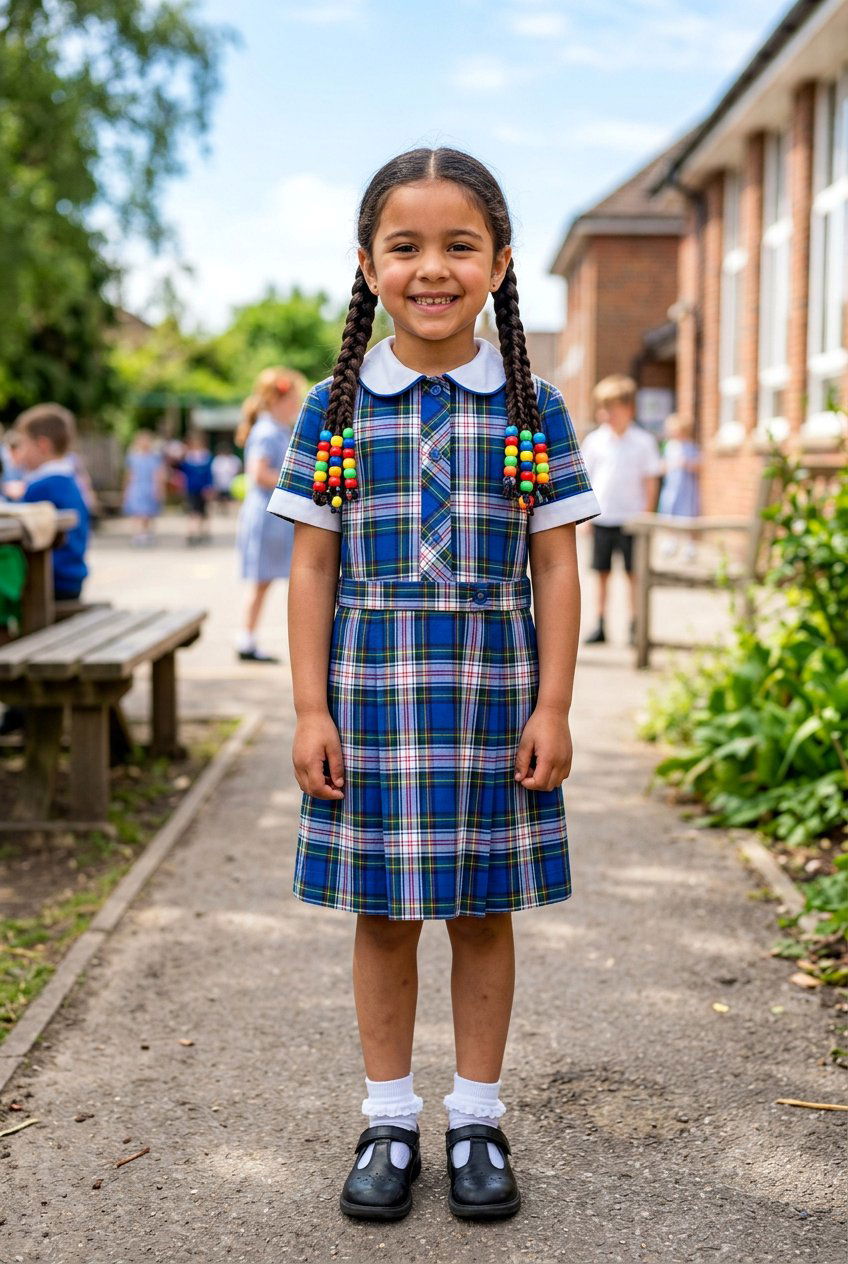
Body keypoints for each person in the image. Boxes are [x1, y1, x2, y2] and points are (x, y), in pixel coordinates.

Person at [268, 148, 600, 1223]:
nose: (432, 268)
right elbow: (310, 566)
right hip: (369, 692)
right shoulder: (331, 410)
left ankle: (475, 1120)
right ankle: (386, 1119)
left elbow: (557, 565)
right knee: (382, 914)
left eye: (459, 245)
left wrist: (554, 704)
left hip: (495, 692)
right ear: (368, 266)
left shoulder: (533, 407)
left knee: (483, 910)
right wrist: (308, 708)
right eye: (404, 246)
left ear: (498, 263)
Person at [580, 375, 662, 646]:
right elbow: (586, 480)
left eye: (612, 408)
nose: (607, 415)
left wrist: (647, 514)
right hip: (602, 518)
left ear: (629, 409)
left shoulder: (643, 442)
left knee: (633, 574)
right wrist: (586, 518)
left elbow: (651, 482)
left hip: (632, 520)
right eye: (603, 408)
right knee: (601, 573)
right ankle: (600, 623)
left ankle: (634, 624)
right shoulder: (595, 441)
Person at [235, 368, 304, 662]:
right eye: (294, 400)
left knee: (270, 580)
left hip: (274, 517)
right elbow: (259, 473)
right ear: (278, 400)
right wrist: (298, 480)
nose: (297, 405)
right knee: (262, 580)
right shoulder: (267, 431)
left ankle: (248, 638)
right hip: (267, 517)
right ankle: (246, 638)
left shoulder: (277, 428)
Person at [14, 403, 90, 599]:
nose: (20, 453)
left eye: (23, 444)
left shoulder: (42, 486)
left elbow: (18, 524)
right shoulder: (68, 480)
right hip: (72, 578)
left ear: (42, 445)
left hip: (50, 581)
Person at [658, 413, 701, 562]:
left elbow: (700, 465)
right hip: (671, 488)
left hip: (686, 489)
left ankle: (690, 545)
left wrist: (687, 464)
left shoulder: (691, 447)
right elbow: (662, 466)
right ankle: (671, 541)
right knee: (670, 513)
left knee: (688, 515)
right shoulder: (669, 447)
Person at [123, 429, 165, 545]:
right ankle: (137, 534)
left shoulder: (154, 458)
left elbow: (158, 474)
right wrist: (126, 489)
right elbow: (129, 475)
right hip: (136, 487)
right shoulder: (132, 457)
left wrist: (159, 488)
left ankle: (147, 533)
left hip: (150, 487)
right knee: (137, 512)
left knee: (148, 512)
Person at [178, 432, 214, 545]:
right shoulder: (187, 458)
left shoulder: (206, 457)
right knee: (193, 511)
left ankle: (202, 531)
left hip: (203, 489)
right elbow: (180, 470)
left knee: (203, 512)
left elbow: (209, 474)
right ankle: (193, 532)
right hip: (191, 488)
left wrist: (209, 487)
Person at [211, 441, 242, 512]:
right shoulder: (217, 460)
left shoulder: (234, 459)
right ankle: (222, 509)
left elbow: (239, 470)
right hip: (220, 483)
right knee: (221, 498)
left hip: (232, 483)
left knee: (229, 499)